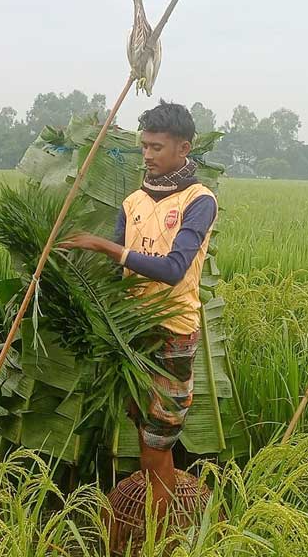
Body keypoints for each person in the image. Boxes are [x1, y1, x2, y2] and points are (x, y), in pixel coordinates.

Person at [59, 100, 218, 515]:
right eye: (144, 146)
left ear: (183, 149)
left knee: (157, 438)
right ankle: (158, 522)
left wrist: (102, 246)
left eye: (157, 148)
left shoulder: (199, 200)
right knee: (141, 424)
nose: (147, 155)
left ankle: (157, 530)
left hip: (172, 331)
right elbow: (117, 273)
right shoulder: (133, 201)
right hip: (131, 329)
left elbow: (173, 269)